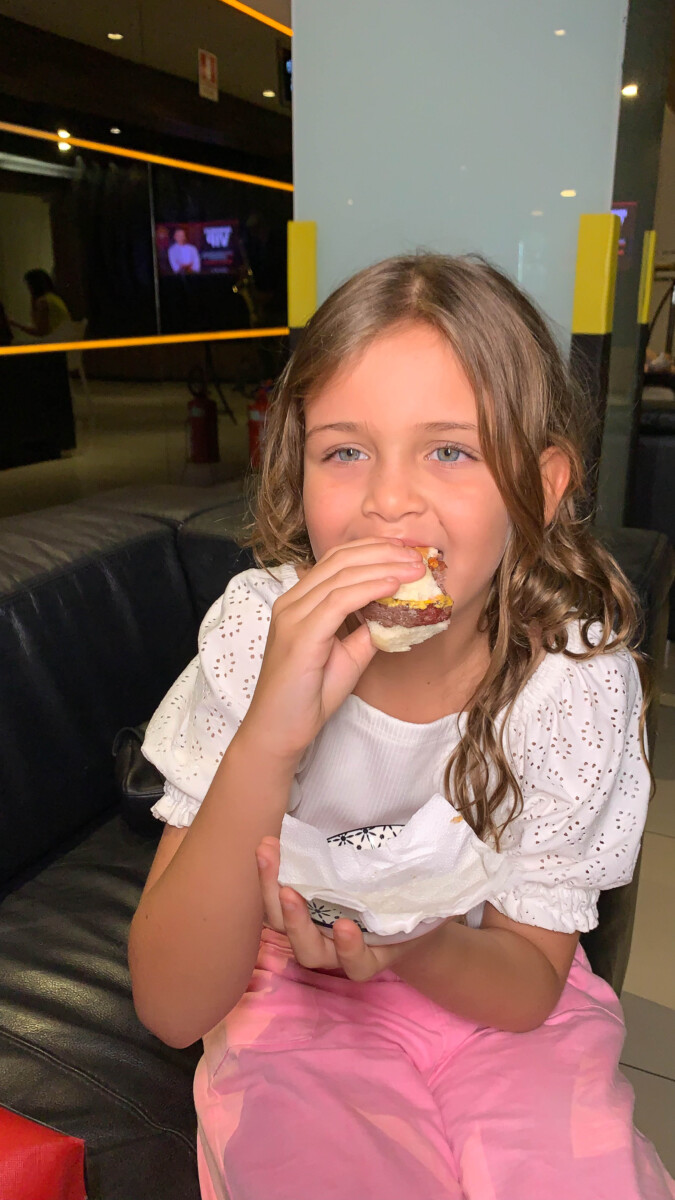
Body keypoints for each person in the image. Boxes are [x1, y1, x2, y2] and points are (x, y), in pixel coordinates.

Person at [129, 253, 675, 1200]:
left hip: (479, 983)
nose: (388, 501)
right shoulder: (258, 636)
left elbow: (524, 988)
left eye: (450, 451)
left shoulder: (572, 685)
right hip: (292, 1001)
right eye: (345, 451)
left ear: (541, 485)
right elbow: (173, 1006)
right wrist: (270, 735)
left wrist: (408, 943)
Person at [9, 269, 71, 337]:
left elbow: (40, 332)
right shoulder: (54, 298)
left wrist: (16, 324)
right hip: (66, 336)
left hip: (57, 339)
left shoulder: (43, 302)